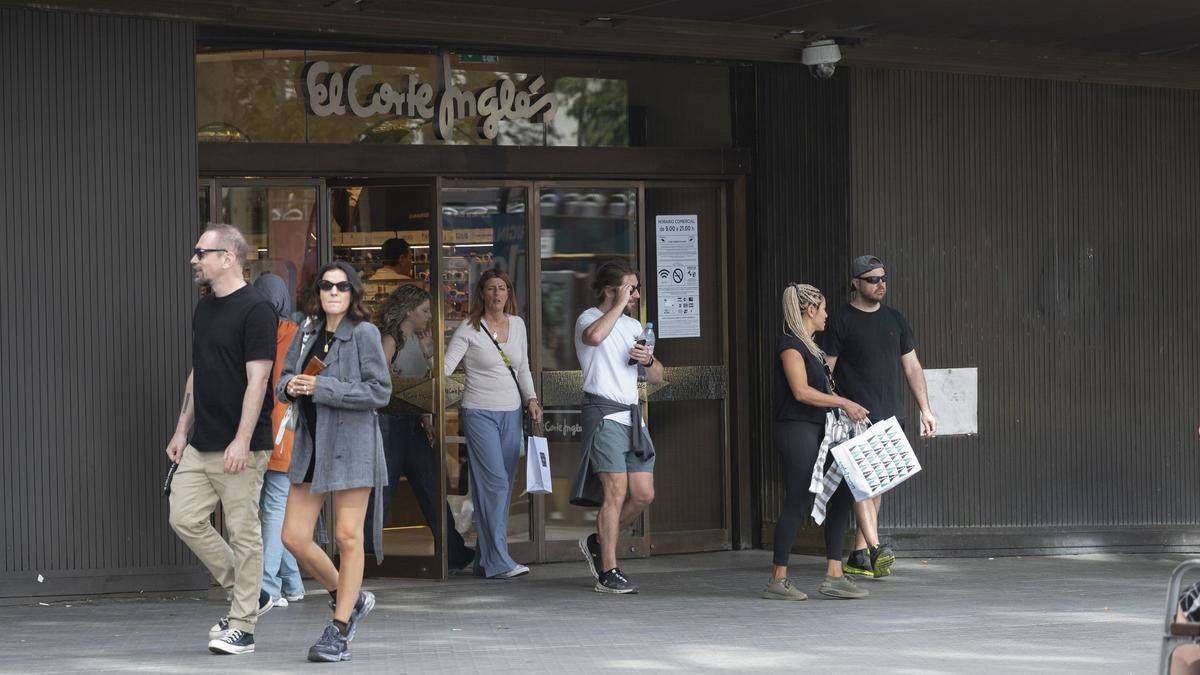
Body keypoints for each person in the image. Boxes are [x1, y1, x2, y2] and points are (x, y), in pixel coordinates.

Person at [165, 224, 277, 655]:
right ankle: (253, 594)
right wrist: (181, 429)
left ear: (228, 257)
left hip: (240, 445)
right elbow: (199, 371)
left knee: (244, 532)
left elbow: (259, 378)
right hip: (202, 440)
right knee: (184, 516)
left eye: (202, 252)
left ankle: (244, 626)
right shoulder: (204, 309)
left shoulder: (257, 310)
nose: (194, 260)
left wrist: (242, 440)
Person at [278, 262, 391, 663]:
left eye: (342, 286)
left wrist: (323, 387)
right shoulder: (306, 330)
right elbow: (284, 380)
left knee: (347, 537)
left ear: (353, 292)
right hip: (312, 445)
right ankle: (350, 596)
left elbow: (380, 392)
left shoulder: (364, 333)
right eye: (326, 285)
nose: (333, 292)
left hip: (352, 445)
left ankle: (339, 630)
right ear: (318, 292)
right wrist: (289, 386)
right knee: (293, 536)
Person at [822, 254, 938, 579]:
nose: (880, 284)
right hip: (855, 415)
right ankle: (873, 548)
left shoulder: (895, 320)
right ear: (855, 282)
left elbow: (912, 367)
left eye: (883, 278)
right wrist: (838, 406)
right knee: (862, 484)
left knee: (877, 484)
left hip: (891, 415)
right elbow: (826, 371)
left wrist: (925, 409)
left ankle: (860, 554)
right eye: (873, 279)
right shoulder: (841, 321)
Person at [763, 283, 871, 600]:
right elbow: (802, 392)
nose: (827, 315)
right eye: (823, 309)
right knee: (797, 497)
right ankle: (777, 578)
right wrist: (842, 403)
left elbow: (826, 391)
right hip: (796, 428)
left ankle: (834, 574)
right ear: (810, 310)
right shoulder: (791, 346)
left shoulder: (813, 349)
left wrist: (851, 406)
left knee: (842, 490)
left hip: (819, 428)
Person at [571, 260, 663, 594]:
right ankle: (608, 571)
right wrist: (619, 304)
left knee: (643, 494)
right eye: (631, 288)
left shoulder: (632, 325)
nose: (637, 294)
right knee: (616, 491)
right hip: (603, 414)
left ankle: (598, 541)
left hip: (632, 416)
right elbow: (594, 338)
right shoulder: (589, 318)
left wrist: (648, 360)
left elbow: (657, 376)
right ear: (611, 290)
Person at [443, 270, 542, 579]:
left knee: (499, 488)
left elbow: (523, 367)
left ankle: (485, 560)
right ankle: (499, 560)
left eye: (502, 288)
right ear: (481, 294)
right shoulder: (469, 329)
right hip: (478, 413)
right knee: (495, 485)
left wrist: (532, 399)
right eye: (490, 289)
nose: (497, 294)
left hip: (511, 413)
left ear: (508, 293)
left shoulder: (519, 325)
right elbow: (446, 368)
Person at [368, 283, 475, 569]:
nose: (429, 316)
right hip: (390, 423)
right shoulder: (390, 339)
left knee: (430, 486)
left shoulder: (415, 340)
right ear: (408, 311)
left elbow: (424, 384)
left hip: (411, 421)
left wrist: (426, 414)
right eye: (424, 310)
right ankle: (365, 553)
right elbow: (380, 382)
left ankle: (453, 550)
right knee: (385, 491)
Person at [253, 273, 306, 608]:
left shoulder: (254, 331)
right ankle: (286, 583)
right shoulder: (297, 336)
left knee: (269, 509)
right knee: (276, 508)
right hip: (286, 430)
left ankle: (271, 587)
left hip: (254, 429)